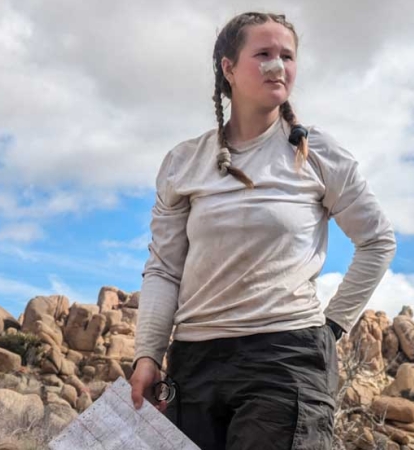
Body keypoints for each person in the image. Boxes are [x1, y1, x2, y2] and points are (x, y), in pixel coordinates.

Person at [128, 11, 396, 450]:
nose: (278, 66)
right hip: (194, 361)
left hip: (286, 358)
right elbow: (163, 269)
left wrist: (331, 328)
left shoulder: (318, 154)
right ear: (228, 68)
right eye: (264, 54)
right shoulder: (184, 162)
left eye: (287, 56)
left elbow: (377, 242)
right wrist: (147, 355)